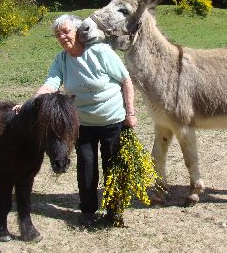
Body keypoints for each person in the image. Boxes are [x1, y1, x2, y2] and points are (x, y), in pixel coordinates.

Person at [15, 14, 137, 227]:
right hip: (81, 124)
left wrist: (131, 113)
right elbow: (50, 84)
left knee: (112, 166)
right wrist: (29, 103)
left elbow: (126, 80)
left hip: (112, 121)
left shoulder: (100, 52)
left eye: (66, 31)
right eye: (58, 34)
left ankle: (114, 209)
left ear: (78, 32)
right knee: (86, 167)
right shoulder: (61, 60)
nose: (62, 37)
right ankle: (88, 210)